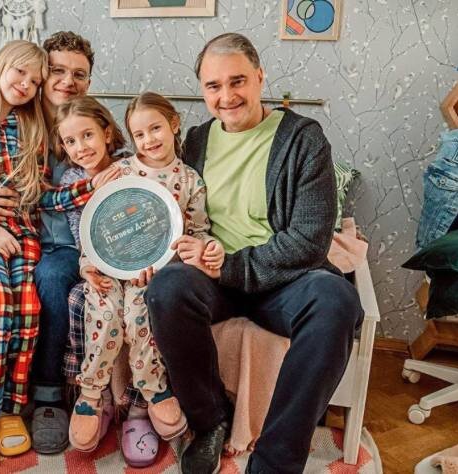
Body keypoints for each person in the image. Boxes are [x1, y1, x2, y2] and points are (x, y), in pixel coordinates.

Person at [143, 33, 364, 474]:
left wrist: (232, 266)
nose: (226, 96)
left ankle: (276, 461)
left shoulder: (303, 139)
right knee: (167, 289)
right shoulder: (196, 142)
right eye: (213, 86)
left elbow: (310, 239)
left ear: (261, 77)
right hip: (212, 277)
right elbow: (161, 196)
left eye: (238, 81)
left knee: (337, 300)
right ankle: (209, 424)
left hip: (282, 280)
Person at [0, 40, 119, 472]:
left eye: (34, 80)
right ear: (2, 65)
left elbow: (39, 195)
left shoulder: (34, 125)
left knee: (30, 303)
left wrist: (92, 184)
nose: (28, 84)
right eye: (31, 74)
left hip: (29, 235)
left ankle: (18, 404)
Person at [59, 94, 223, 465]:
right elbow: (95, 227)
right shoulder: (121, 172)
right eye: (139, 134)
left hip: (152, 273)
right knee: (102, 311)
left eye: (155, 129)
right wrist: (88, 266)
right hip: (108, 268)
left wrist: (201, 250)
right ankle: (90, 393)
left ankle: (153, 390)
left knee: (139, 316)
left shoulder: (190, 181)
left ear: (174, 124)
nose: (149, 140)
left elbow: (199, 231)